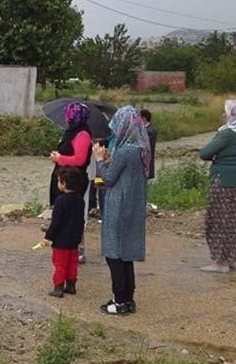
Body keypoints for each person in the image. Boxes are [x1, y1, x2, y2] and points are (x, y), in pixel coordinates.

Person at [92, 106, 151, 316]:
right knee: (126, 254)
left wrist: (99, 159)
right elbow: (122, 172)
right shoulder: (141, 148)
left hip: (119, 205)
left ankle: (118, 301)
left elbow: (108, 179)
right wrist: (110, 160)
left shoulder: (125, 151)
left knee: (114, 254)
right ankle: (128, 298)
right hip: (134, 204)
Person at [198, 99, 236, 273]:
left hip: (224, 181)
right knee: (235, 221)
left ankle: (220, 261)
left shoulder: (227, 133)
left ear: (233, 114)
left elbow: (204, 153)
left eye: (227, 111)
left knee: (217, 220)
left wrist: (215, 158)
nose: (224, 114)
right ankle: (230, 259)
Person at [49, 102, 93, 263]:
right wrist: (57, 157)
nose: (67, 117)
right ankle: (61, 245)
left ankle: (77, 249)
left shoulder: (82, 134)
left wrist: (60, 159)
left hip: (74, 181)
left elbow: (80, 159)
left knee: (73, 215)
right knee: (61, 212)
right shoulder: (70, 132)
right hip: (63, 177)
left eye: (69, 114)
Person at [43, 167, 86, 298]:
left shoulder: (60, 201)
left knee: (60, 264)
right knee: (73, 263)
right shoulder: (80, 200)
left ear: (64, 183)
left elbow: (56, 222)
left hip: (61, 240)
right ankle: (71, 285)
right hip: (74, 239)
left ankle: (58, 287)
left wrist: (48, 236)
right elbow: (81, 220)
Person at [140, 109, 157, 179]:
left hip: (146, 164)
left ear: (144, 118)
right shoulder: (148, 129)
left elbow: (144, 146)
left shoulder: (149, 131)